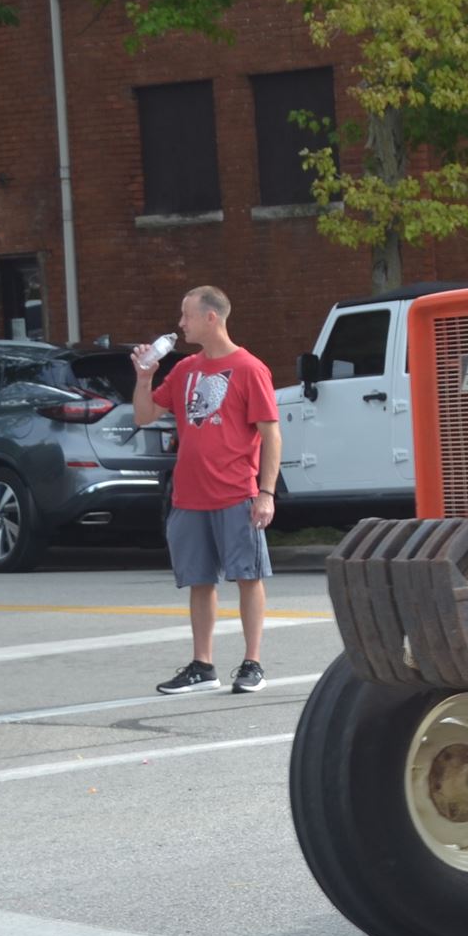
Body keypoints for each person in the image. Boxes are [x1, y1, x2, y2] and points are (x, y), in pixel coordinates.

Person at [133, 286, 282, 693]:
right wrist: (145, 378)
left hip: (236, 493)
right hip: (189, 495)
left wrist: (265, 493)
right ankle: (203, 666)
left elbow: (272, 435)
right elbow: (145, 415)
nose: (180, 324)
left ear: (210, 318)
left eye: (187, 315)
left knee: (248, 576)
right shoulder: (185, 370)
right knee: (199, 581)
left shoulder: (250, 368)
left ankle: (252, 664)